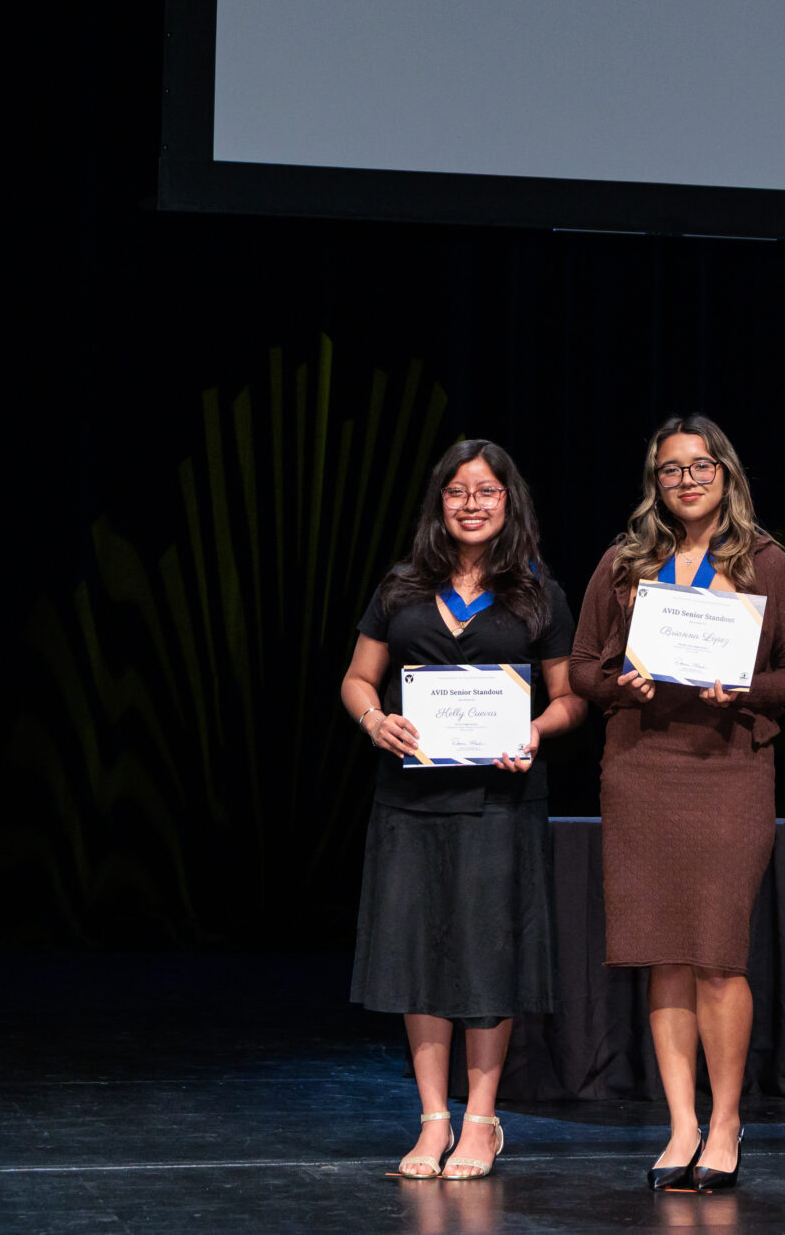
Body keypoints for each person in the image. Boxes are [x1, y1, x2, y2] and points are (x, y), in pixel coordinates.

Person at [571, 415, 785, 1193]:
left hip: (727, 773)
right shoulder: (622, 562)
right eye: (671, 469)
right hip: (641, 766)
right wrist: (619, 685)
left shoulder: (768, 562)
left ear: (727, 475)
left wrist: (742, 685)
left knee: (717, 954)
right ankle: (680, 1124)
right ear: (656, 481)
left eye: (700, 467)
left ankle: (725, 1122)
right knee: (664, 954)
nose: (686, 480)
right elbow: (581, 667)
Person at [340, 440, 584, 1181]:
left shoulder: (539, 593)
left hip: (499, 802)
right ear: (438, 503)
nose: (471, 504)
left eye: (486, 491)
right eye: (457, 491)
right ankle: (432, 1119)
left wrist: (536, 731)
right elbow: (356, 678)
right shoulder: (402, 589)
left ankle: (481, 1120)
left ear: (509, 502)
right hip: (410, 801)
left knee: (489, 955)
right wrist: (375, 721)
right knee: (417, 952)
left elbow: (572, 697)